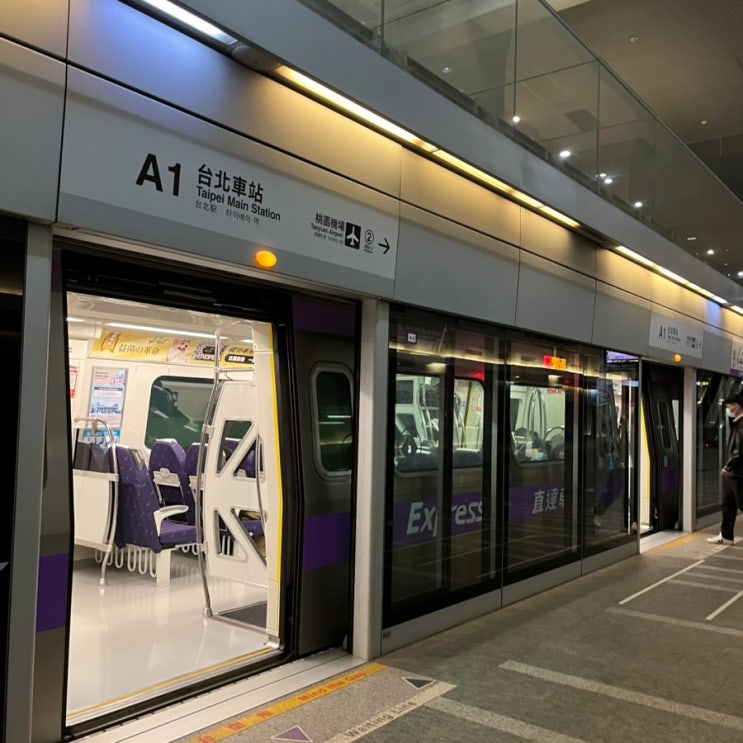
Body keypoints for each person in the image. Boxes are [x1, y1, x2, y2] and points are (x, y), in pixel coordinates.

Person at [707, 393, 743, 544]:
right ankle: (726, 536)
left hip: (737, 473)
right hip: (734, 473)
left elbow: (738, 450)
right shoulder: (737, 423)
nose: (727, 409)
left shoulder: (741, 425)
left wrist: (728, 467)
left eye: (729, 406)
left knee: (740, 502)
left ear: (736, 406)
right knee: (727, 504)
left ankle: (726, 535)